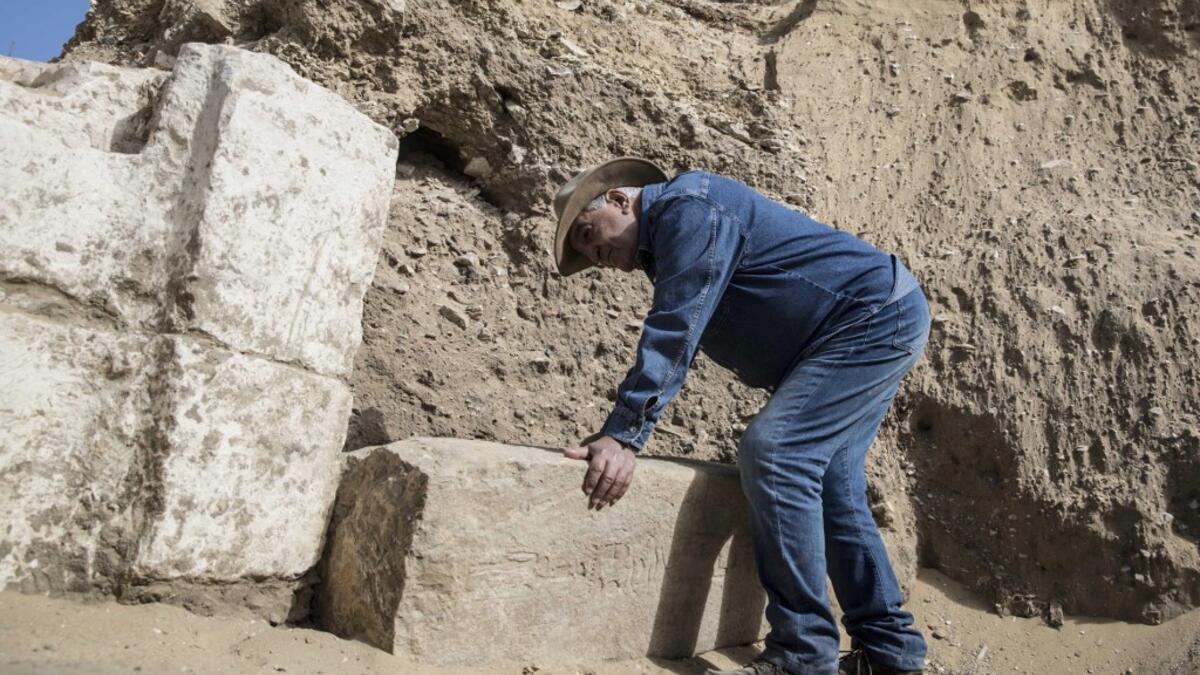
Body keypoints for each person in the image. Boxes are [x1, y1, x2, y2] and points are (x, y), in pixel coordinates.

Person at [554, 158, 930, 675]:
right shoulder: (672, 234)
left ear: (618, 199)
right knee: (833, 483)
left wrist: (625, 434)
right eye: (587, 257)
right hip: (876, 317)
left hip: (867, 318)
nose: (597, 257)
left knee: (776, 452)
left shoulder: (688, 209)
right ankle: (891, 654)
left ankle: (802, 656)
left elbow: (676, 325)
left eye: (588, 235)